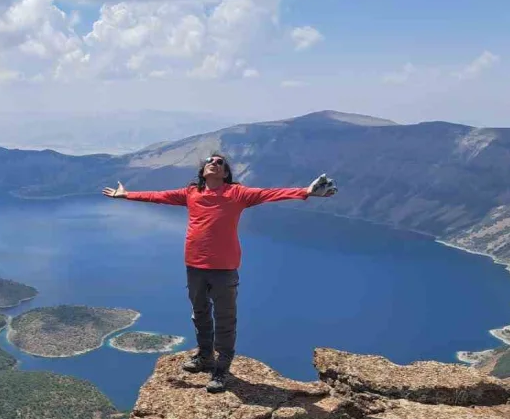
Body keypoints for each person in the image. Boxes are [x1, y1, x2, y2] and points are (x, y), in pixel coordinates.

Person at [102, 154, 337, 393]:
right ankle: (205, 358)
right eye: (209, 160)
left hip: (224, 269)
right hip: (194, 266)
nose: (214, 163)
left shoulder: (237, 194)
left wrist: (306, 191)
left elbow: (270, 193)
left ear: (225, 173)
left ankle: (221, 369)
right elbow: (158, 196)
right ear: (203, 170)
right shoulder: (191, 193)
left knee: (225, 320)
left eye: (220, 162)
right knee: (200, 314)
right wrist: (127, 194)